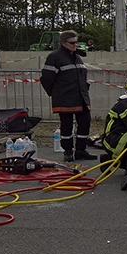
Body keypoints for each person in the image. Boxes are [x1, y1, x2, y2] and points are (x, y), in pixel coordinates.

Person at [40, 30, 96, 162]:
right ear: (63, 43)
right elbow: (47, 79)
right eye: (72, 43)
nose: (75, 45)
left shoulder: (77, 57)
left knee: (85, 123)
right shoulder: (54, 57)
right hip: (65, 98)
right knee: (66, 125)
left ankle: (81, 150)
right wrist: (56, 93)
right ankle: (68, 151)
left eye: (76, 42)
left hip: (81, 97)